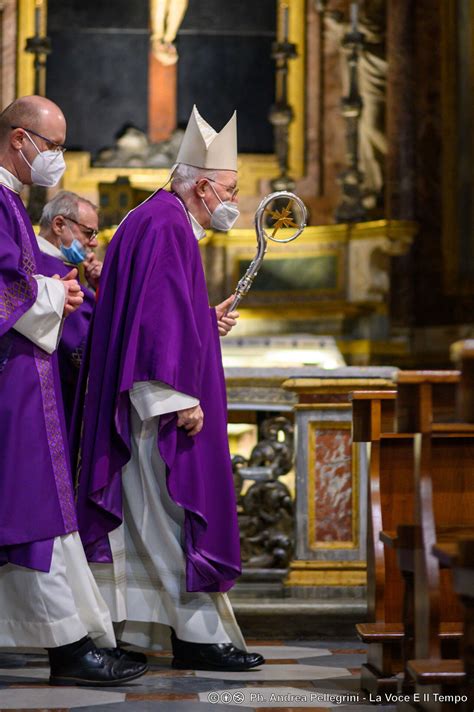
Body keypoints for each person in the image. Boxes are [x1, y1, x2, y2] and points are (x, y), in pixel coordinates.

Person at [73, 105, 265, 671]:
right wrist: (177, 397)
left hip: (142, 396)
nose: (234, 200)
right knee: (175, 516)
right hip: (156, 403)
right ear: (203, 186)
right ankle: (197, 638)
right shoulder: (166, 223)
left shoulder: (155, 218)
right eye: (229, 189)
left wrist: (205, 317)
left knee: (151, 520)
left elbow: (153, 311)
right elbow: (154, 317)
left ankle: (170, 634)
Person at [0, 95, 147, 686]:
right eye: (54, 146)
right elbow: (6, 292)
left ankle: (74, 641)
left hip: (24, 376)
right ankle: (69, 647)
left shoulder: (10, 200)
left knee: (36, 514)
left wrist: (53, 290)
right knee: (33, 514)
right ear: (19, 140)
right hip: (14, 381)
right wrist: (58, 295)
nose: (59, 158)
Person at [37, 191, 100, 425]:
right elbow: (84, 347)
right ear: (59, 224)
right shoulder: (52, 270)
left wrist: (96, 287)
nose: (93, 242)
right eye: (88, 233)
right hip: (56, 398)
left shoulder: (38, 259)